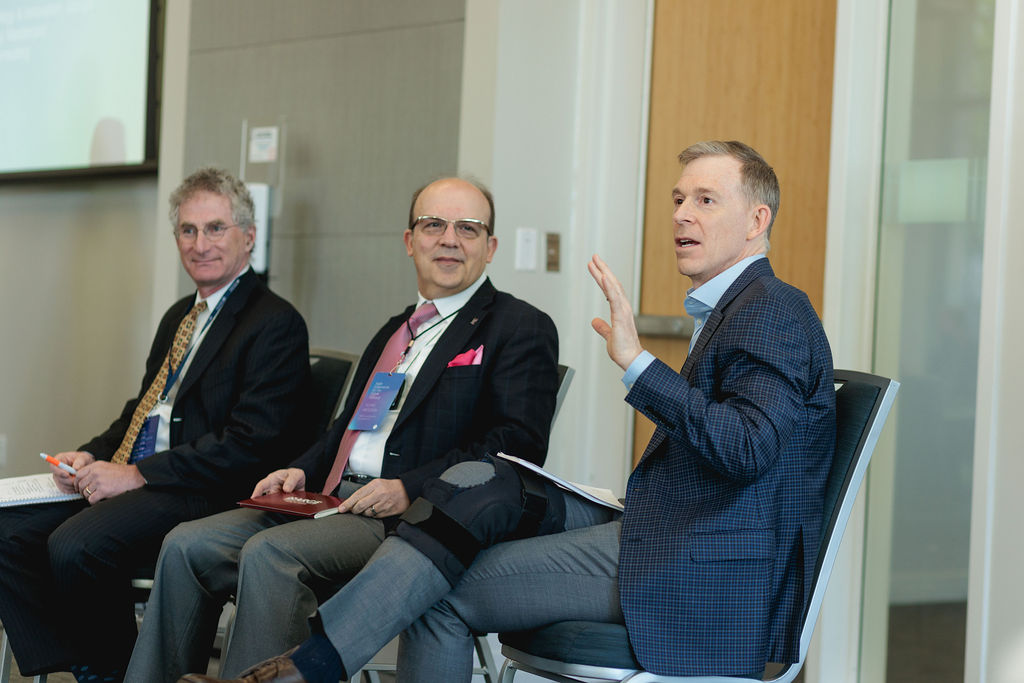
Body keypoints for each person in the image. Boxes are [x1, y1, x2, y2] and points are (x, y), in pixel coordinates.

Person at [180, 140, 836, 683]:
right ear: (409, 240)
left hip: (697, 566)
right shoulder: (735, 311)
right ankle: (309, 667)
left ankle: (308, 667)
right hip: (661, 532)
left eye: (706, 200)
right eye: (677, 198)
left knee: (457, 547)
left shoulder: (773, 310)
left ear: (757, 221)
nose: (682, 215)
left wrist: (638, 364)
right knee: (475, 509)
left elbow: (748, 447)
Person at [127, 177, 560, 682]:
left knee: (271, 555)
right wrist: (298, 469)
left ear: (491, 247)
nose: (449, 239)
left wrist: (408, 488)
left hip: (415, 519)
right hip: (332, 501)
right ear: (408, 241)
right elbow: (348, 430)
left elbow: (516, 445)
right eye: (433, 225)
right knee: (185, 545)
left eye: (468, 228)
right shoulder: (398, 330)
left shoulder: (517, 326)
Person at [0, 167, 314, 683]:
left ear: (248, 237)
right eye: (187, 231)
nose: (200, 244)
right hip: (145, 479)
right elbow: (143, 411)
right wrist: (88, 455)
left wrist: (137, 475)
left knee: (76, 545)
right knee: (9, 534)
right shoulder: (180, 317)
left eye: (216, 228)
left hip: (205, 489)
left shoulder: (274, 323)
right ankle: (76, 661)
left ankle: (116, 673)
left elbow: (252, 445)